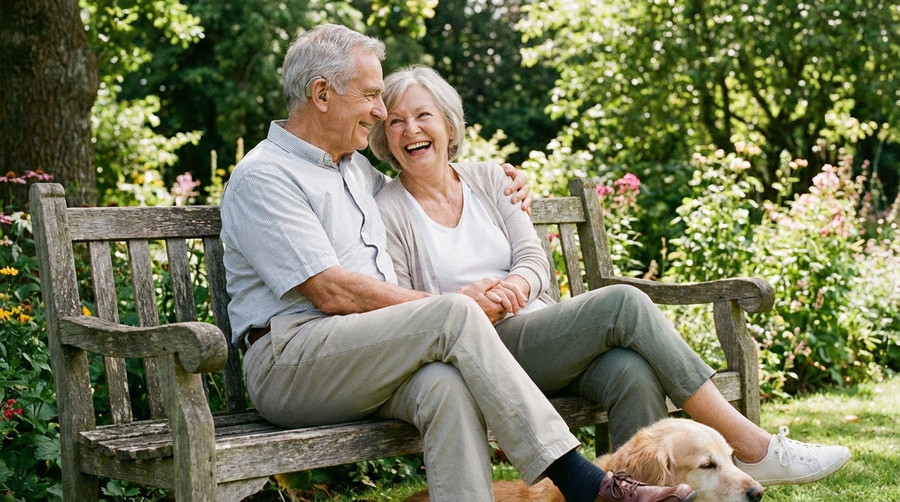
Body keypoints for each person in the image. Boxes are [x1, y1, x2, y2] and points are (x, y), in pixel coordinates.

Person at [220, 24, 697, 502]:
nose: (381, 111)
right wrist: (443, 305)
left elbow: (435, 175)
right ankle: (585, 482)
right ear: (321, 94)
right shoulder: (266, 175)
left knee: (443, 385)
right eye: (370, 95)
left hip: (363, 353)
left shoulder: (353, 168)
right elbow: (330, 291)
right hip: (291, 361)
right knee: (453, 311)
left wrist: (507, 182)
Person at [369, 65, 851, 489]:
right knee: (624, 303)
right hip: (478, 352)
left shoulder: (492, 179)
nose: (411, 129)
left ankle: (641, 493)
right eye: (396, 121)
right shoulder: (389, 209)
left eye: (423, 114)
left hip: (539, 337)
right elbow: (414, 309)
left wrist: (515, 287)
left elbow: (534, 262)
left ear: (449, 124)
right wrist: (471, 302)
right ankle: (753, 445)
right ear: (385, 138)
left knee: (631, 372)